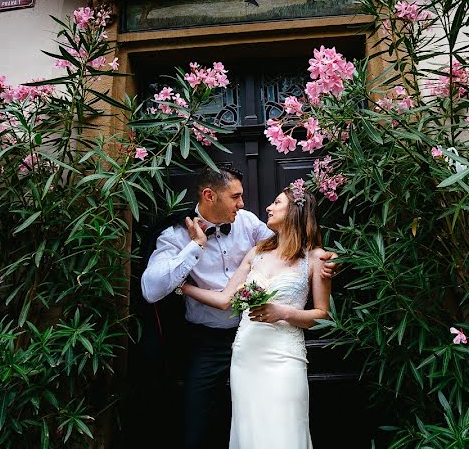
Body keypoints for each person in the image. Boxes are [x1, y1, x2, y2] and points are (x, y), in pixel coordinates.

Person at [140, 167, 334, 449]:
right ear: (210, 196)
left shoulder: (248, 223)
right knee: (208, 424)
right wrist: (194, 249)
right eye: (236, 197)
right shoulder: (175, 234)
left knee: (280, 427)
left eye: (241, 197)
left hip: (276, 347)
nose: (244, 204)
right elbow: (152, 290)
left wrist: (330, 257)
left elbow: (293, 243)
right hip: (212, 341)